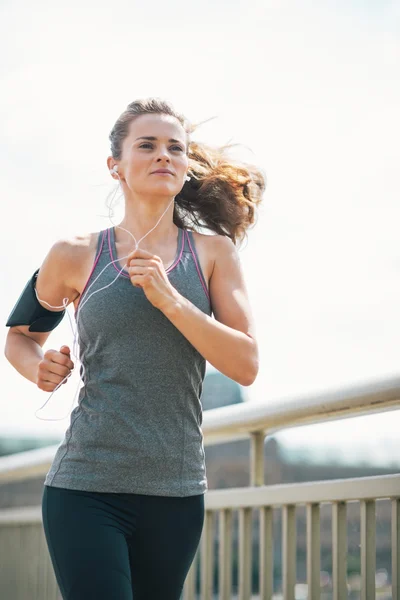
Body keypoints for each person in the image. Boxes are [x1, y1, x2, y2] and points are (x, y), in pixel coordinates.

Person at [4, 98, 265, 600]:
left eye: (175, 147)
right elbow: (19, 336)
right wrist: (39, 368)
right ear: (115, 166)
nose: (163, 154)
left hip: (177, 491)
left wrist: (171, 300)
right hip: (85, 485)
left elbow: (246, 364)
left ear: (187, 167)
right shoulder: (76, 253)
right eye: (146, 145)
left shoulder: (212, 254)